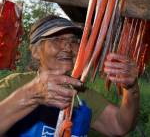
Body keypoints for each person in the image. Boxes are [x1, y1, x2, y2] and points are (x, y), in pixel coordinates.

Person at [0, 15, 139, 137]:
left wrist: (131, 89)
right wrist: (32, 94)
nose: (67, 47)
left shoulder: (80, 94)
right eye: (56, 39)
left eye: (73, 41)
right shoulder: (15, 84)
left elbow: (120, 126)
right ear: (36, 51)